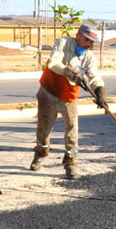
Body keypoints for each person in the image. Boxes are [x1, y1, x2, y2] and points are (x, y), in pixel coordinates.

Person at [29, 24, 106, 179]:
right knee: (43, 131)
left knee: (72, 130)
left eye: (92, 42)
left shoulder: (89, 57)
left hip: (68, 97)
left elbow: (95, 77)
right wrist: (71, 73)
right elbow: (53, 63)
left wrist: (100, 92)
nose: (90, 44)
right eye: (87, 40)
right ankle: (40, 154)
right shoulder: (63, 43)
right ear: (78, 35)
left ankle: (70, 162)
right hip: (48, 92)